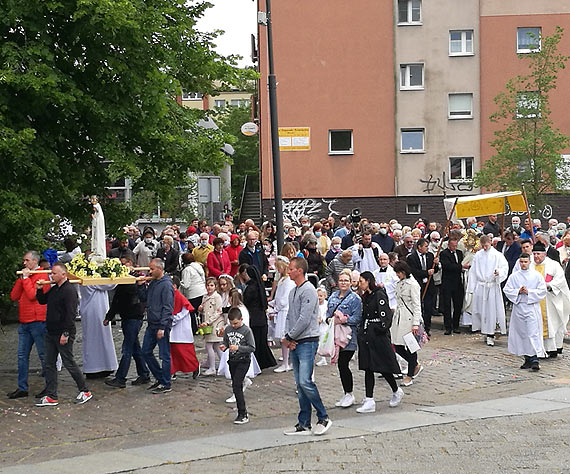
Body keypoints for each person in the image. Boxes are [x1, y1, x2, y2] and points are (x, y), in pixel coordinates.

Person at [283, 257, 332, 436]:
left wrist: (289, 336)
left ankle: (323, 416)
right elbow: (291, 316)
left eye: (291, 269)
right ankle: (304, 422)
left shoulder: (309, 290)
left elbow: (304, 318)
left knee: (305, 381)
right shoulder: (293, 291)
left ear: (300, 271)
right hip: (296, 340)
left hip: (308, 340)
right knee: (300, 383)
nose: (288, 271)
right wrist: (288, 336)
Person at [35, 263, 92, 406]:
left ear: (63, 274)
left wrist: (65, 333)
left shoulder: (69, 291)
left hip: (63, 332)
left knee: (69, 362)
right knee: (49, 363)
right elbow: (42, 301)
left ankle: (84, 390)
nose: (51, 276)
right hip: (51, 331)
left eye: (54, 273)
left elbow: (70, 314)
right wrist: (40, 290)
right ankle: (51, 395)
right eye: (51, 273)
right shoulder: (55, 290)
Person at [356, 272, 403, 413]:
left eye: (361, 281)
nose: (360, 284)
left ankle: (396, 389)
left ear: (368, 281)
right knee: (368, 366)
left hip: (378, 336)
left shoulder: (379, 295)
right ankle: (369, 399)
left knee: (383, 365)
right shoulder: (366, 297)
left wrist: (379, 328)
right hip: (367, 336)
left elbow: (385, 316)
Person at [104, 256, 150, 388]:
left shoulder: (136, 281)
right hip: (128, 316)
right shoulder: (123, 281)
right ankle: (144, 374)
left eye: (126, 265)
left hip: (134, 317)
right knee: (135, 347)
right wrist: (109, 316)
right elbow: (117, 300)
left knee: (127, 348)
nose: (124, 267)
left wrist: (134, 282)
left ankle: (121, 378)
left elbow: (140, 298)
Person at [8, 251, 48, 399]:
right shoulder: (26, 276)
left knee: (44, 355)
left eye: (26, 260)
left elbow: (32, 296)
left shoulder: (42, 275)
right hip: (24, 321)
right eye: (23, 260)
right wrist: (21, 280)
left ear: (34, 261)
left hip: (38, 321)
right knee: (21, 356)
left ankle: (49, 386)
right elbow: (14, 296)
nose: (24, 263)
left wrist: (25, 279)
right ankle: (22, 387)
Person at [504, 253, 547, 371]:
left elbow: (542, 291)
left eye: (525, 262)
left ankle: (535, 358)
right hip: (519, 307)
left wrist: (529, 292)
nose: (523, 264)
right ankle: (527, 358)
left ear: (529, 262)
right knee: (521, 333)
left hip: (531, 307)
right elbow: (507, 289)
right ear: (519, 262)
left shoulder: (536, 276)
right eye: (521, 262)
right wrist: (518, 291)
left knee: (532, 333)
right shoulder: (514, 276)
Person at [326, 269, 362, 409]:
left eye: (346, 280)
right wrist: (330, 319)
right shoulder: (333, 296)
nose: (343, 283)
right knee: (340, 365)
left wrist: (344, 320)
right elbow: (327, 314)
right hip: (334, 336)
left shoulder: (355, 299)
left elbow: (357, 318)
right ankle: (346, 393)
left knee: (343, 363)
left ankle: (349, 393)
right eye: (341, 280)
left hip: (348, 337)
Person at [138, 258, 174, 394]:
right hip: (152, 323)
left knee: (164, 355)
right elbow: (145, 298)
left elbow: (168, 307)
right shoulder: (153, 283)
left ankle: (166, 383)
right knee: (146, 351)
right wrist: (141, 286)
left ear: (160, 269)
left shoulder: (166, 285)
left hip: (160, 324)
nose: (150, 271)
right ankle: (160, 377)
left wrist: (163, 327)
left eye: (152, 269)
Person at [467, 235, 509, 346]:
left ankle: (491, 334)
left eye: (486, 246)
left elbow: (504, 267)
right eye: (483, 246)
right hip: (481, 286)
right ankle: (485, 331)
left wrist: (498, 272)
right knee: (481, 310)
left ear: (490, 243)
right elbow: (473, 271)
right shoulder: (478, 255)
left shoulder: (497, 255)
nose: (485, 248)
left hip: (492, 286)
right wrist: (472, 287)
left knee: (491, 311)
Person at [532, 242, 570, 358]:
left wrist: (549, 285)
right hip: (534, 300)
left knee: (551, 324)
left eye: (538, 254)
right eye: (534, 254)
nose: (536, 257)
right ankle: (537, 348)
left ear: (544, 254)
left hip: (550, 299)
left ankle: (552, 348)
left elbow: (560, 280)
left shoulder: (553, 265)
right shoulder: (529, 264)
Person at [220, 307, 256, 425]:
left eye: (236, 323)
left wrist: (239, 348)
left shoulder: (246, 331)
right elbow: (226, 342)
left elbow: (252, 347)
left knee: (237, 385)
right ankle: (241, 411)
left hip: (244, 360)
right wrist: (224, 346)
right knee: (235, 383)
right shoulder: (228, 329)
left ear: (241, 319)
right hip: (232, 360)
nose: (234, 325)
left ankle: (243, 413)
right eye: (231, 323)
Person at [391, 261, 423, 387]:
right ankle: (414, 364)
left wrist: (416, 323)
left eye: (399, 272)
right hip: (399, 317)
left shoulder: (413, 284)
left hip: (409, 319)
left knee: (410, 347)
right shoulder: (399, 284)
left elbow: (416, 305)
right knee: (397, 345)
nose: (397, 275)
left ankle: (410, 375)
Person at [78, 282, 118, 378]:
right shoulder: (91, 279)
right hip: (95, 309)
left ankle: (104, 366)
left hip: (94, 307)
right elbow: (110, 284)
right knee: (98, 338)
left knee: (98, 338)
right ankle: (95, 367)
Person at [243, 265, 276, 370]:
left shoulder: (251, 288)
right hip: (261, 317)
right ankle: (266, 361)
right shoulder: (259, 285)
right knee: (261, 342)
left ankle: (258, 363)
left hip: (254, 318)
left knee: (256, 342)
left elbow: (246, 302)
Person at [407, 238, 439, 336]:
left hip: (429, 285)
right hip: (418, 284)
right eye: (425, 246)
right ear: (419, 247)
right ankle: (418, 326)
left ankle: (427, 328)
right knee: (418, 306)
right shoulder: (411, 258)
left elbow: (435, 270)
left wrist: (436, 264)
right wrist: (426, 273)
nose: (427, 248)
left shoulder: (430, 256)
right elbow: (413, 271)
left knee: (428, 307)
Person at [169, 277, 199, 380]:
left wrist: (173, 319)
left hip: (180, 328)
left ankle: (194, 367)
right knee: (172, 352)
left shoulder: (180, 297)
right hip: (173, 328)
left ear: (174, 286)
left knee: (185, 352)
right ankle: (172, 371)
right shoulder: (169, 296)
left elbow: (185, 310)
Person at [272, 257, 296, 373]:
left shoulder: (288, 282)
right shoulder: (283, 280)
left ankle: (286, 363)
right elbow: (278, 296)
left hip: (284, 311)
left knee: (284, 337)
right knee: (283, 338)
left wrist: (276, 308)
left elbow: (285, 299)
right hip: (281, 310)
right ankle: (287, 362)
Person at [198, 277, 225, 375]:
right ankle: (224, 365)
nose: (209, 287)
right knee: (217, 346)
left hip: (215, 324)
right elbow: (204, 310)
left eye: (211, 285)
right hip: (207, 324)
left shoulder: (217, 297)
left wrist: (208, 322)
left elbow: (218, 311)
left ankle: (213, 367)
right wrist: (200, 309)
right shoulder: (205, 297)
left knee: (210, 345)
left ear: (215, 286)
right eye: (208, 285)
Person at [439, 239, 464, 335]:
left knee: (458, 304)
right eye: (453, 245)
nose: (455, 247)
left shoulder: (459, 253)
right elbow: (447, 266)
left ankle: (456, 325)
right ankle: (448, 327)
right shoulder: (444, 254)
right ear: (449, 245)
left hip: (457, 282)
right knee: (447, 305)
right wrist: (460, 267)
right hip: (447, 282)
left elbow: (461, 263)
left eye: (456, 245)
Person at [179, 252, 206, 334]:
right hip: (202, 291)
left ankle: (194, 329)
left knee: (192, 313)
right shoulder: (199, 266)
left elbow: (186, 285)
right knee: (202, 312)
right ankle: (204, 328)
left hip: (193, 294)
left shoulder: (187, 270)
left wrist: (179, 282)